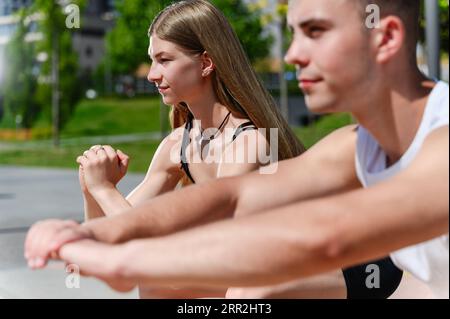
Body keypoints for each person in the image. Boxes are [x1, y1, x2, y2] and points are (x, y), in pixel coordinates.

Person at [25, 0, 448, 298]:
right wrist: (91, 231)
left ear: (387, 36)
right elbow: (231, 196)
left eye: (315, 31)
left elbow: (325, 239)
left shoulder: (441, 143)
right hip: (401, 283)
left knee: (248, 289)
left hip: (354, 272)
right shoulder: (353, 144)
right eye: (293, 34)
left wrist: (127, 259)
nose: (292, 55)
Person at [72, 0, 304, 298]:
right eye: (152, 60)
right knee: (157, 280)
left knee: (169, 279)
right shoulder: (177, 145)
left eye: (164, 60)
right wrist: (90, 189)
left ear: (206, 62)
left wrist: (105, 189)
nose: (152, 74)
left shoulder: (251, 142)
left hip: (305, 273)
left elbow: (214, 252)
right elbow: (110, 238)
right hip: (247, 273)